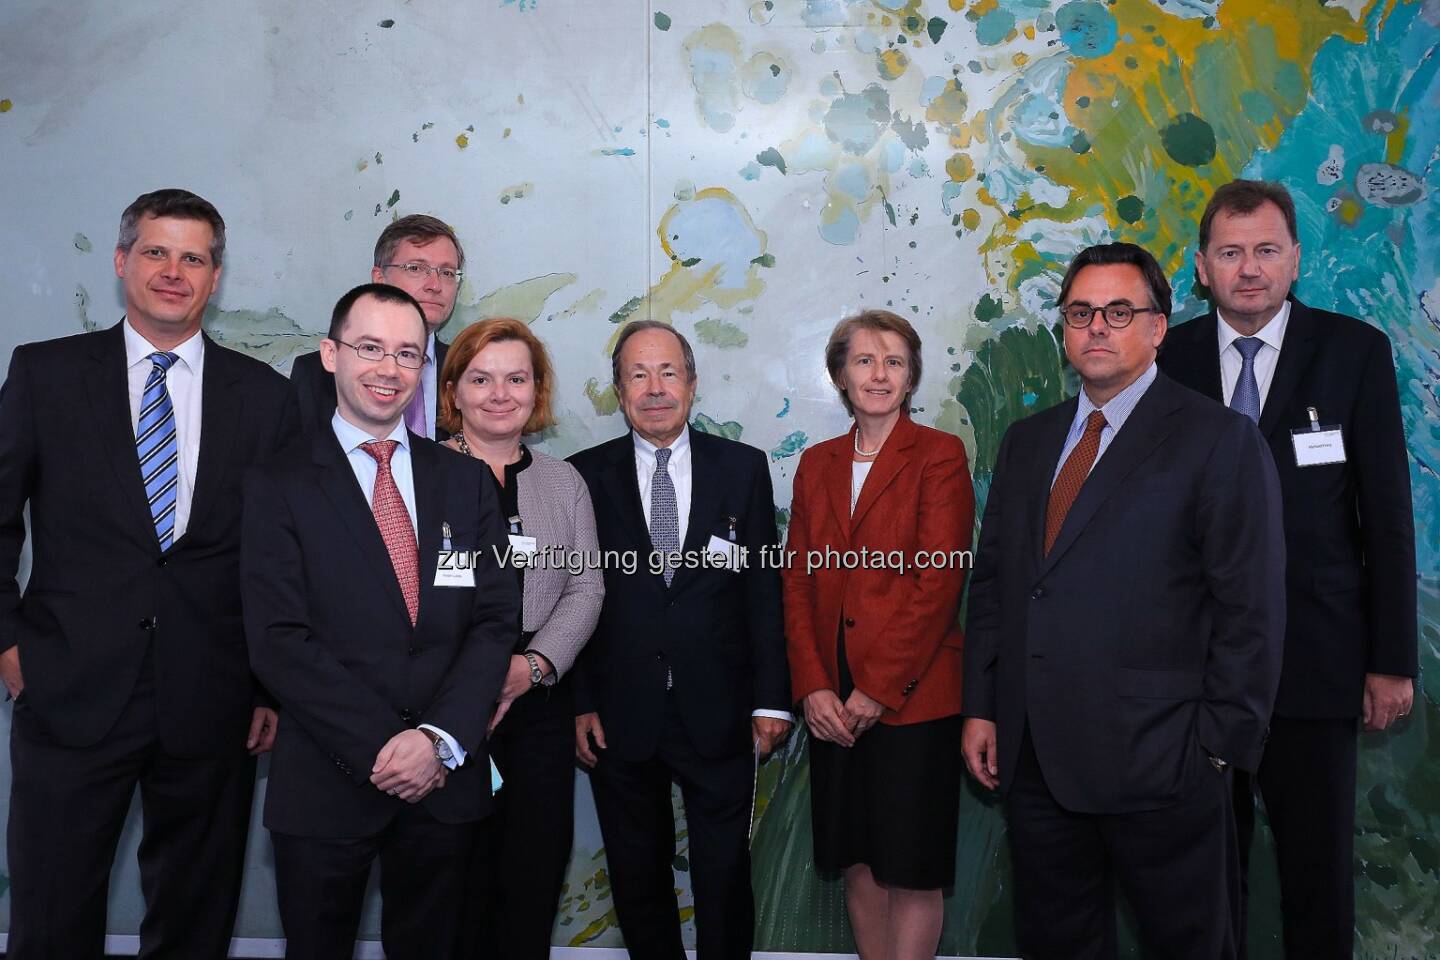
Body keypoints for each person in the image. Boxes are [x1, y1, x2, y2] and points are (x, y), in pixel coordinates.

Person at [961, 242, 1286, 959]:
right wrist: (985, 707)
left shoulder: (1217, 439)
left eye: (1118, 311)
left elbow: (1251, 609)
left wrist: (1217, 749)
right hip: (1037, 762)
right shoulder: (1026, 442)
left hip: (1165, 765)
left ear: (1159, 327)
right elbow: (997, 588)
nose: (1098, 328)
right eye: (1081, 313)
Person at [0, 188, 294, 959]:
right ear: (122, 260)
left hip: (213, 696)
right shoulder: (45, 374)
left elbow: (278, 557)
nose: (174, 271)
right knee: (51, 909)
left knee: (195, 915)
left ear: (216, 277)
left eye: (193, 257)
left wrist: (265, 685)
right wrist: (9, 646)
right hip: (68, 684)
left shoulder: (264, 397)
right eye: (157, 252)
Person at [1158, 179, 1417, 959]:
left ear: (1296, 258)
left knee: (1316, 875)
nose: (1249, 269)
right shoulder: (1164, 358)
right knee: (1204, 878)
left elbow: (1387, 514)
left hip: (1320, 660)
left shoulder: (1353, 351)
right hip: (1192, 672)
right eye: (1230, 253)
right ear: (1201, 267)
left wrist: (1391, 661)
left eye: (1266, 251)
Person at [241, 283, 518, 960]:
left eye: (407, 354)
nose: (388, 370)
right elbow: (279, 639)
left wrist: (436, 740)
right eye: (370, 348)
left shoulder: (466, 481)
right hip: (328, 782)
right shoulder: (277, 483)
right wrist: (383, 746)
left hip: (444, 783)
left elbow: (494, 619)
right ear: (330, 354)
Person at [567, 320, 792, 960]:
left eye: (668, 372)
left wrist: (772, 699)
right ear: (618, 390)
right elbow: (574, 597)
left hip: (719, 708)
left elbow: (760, 590)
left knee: (723, 876)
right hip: (619, 713)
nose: (655, 388)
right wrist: (581, 699)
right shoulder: (585, 475)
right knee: (638, 876)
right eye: (638, 374)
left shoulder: (741, 469)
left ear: (692, 384)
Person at [783, 309, 973, 960]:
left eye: (894, 361)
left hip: (912, 701)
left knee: (912, 869)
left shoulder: (940, 455)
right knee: (859, 861)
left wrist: (875, 690)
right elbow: (798, 584)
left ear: (912, 375)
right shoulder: (816, 464)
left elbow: (937, 587)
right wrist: (813, 688)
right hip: (832, 706)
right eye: (864, 360)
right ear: (839, 374)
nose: (879, 374)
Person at [440, 317, 604, 958]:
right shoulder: (417, 473)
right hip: (442, 700)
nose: (499, 393)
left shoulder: (564, 483)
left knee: (532, 874)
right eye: (481, 379)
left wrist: (533, 666)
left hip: (538, 703)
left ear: (537, 394)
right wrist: (475, 679)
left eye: (517, 378)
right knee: (453, 877)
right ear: (453, 391)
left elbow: (586, 587)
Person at [291, 214, 465, 439]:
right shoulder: (317, 373)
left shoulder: (467, 370)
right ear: (380, 278)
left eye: (447, 273)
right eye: (416, 268)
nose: (435, 285)